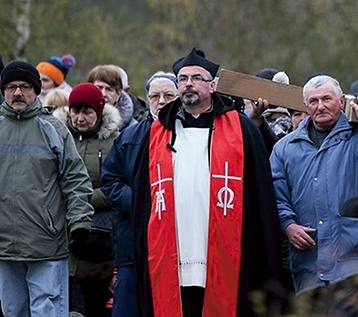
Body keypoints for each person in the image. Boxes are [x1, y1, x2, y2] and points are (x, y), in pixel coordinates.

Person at [132, 48, 283, 316]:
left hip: (225, 248)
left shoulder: (241, 128)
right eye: (182, 79)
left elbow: (259, 194)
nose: (188, 84)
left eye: (196, 78)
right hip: (171, 247)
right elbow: (143, 198)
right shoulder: (157, 132)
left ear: (212, 85)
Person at [271, 75, 358, 316]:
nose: (320, 106)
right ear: (305, 107)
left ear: (341, 101)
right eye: (313, 101)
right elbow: (277, 195)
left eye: (327, 99)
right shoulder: (285, 147)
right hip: (309, 262)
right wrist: (288, 226)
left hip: (352, 258)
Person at [0, 60, 93, 317]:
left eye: (25, 86)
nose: (18, 93)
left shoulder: (54, 129)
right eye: (11, 87)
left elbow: (75, 180)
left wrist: (80, 222)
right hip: (4, 245)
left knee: (47, 311)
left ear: (36, 90)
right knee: (12, 311)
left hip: (46, 243)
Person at [101, 71, 178, 316]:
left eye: (168, 95)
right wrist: (140, 203)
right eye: (155, 96)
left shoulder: (190, 135)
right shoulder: (129, 137)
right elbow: (110, 180)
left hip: (177, 242)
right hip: (133, 239)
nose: (162, 101)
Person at [56, 83, 121, 317]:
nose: (80, 118)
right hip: (63, 234)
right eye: (76, 111)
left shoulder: (115, 142)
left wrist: (79, 199)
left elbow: (117, 185)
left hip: (100, 237)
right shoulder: (57, 137)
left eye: (87, 112)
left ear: (99, 113)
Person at [88, 64, 138, 131]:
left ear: (118, 94)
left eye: (109, 90)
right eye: (99, 88)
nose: (103, 94)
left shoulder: (133, 129)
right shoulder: (74, 123)